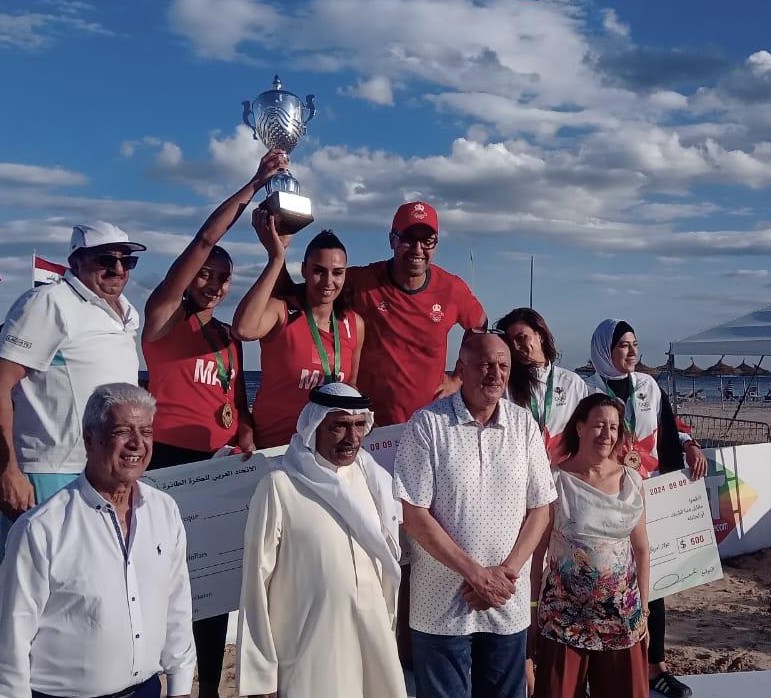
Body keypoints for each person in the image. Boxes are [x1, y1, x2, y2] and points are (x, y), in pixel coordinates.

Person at [141, 150, 284, 696]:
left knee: (213, 583)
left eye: (224, 277)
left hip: (218, 466)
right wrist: (253, 184)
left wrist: (245, 428)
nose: (216, 283)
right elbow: (203, 239)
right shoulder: (162, 319)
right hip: (169, 465)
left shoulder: (228, 336)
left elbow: (235, 404)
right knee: (169, 580)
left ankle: (206, 688)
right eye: (209, 273)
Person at [0, 383, 195, 698]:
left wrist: (179, 685)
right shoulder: (42, 528)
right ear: (89, 439)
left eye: (147, 432)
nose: (137, 443)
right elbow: (11, 642)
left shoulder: (164, 511)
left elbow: (176, 605)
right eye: (122, 431)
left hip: (145, 691)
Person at [393, 331, 555, 698]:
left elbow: (540, 509)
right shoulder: (427, 425)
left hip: (506, 601)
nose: (494, 374)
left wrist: (504, 576)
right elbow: (414, 515)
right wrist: (476, 575)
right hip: (440, 605)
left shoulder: (524, 425)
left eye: (502, 366)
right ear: (461, 369)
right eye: (484, 365)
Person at [0, 221, 146, 549]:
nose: (118, 269)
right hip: (49, 472)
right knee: (38, 586)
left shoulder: (127, 313)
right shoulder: (48, 302)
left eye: (126, 261)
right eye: (105, 260)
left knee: (93, 583)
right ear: (75, 262)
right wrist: (7, 472)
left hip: (104, 472)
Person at [236, 382, 405, 697]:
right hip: (308, 653)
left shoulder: (373, 483)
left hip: (373, 642)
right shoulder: (280, 486)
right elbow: (255, 586)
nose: (352, 438)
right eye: (338, 426)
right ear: (314, 427)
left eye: (358, 426)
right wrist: (261, 677)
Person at [586, 319, 707, 698]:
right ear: (606, 350)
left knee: (650, 583)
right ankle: (596, 673)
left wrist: (690, 447)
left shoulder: (648, 387)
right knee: (601, 582)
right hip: (606, 497)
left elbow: (668, 433)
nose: (632, 352)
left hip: (649, 495)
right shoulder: (589, 391)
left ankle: (656, 668)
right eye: (623, 346)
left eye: (635, 344)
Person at [532, 393, 650, 698]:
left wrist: (644, 610)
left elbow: (641, 549)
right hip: (564, 617)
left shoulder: (633, 481)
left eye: (613, 428)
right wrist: (532, 610)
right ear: (580, 427)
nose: (606, 434)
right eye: (599, 425)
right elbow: (538, 554)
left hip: (622, 617)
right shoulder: (555, 481)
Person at [346, 201, 487, 426]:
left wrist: (458, 378)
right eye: (409, 239)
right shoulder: (363, 281)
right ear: (393, 240)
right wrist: (278, 252)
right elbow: (311, 291)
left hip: (430, 422)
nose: (418, 249)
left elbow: (479, 324)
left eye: (427, 241)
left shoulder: (452, 288)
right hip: (371, 424)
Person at [233, 212, 364, 448]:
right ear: (303, 270)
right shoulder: (282, 312)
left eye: (337, 272)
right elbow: (243, 329)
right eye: (318, 270)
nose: (327, 281)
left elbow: (350, 388)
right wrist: (276, 258)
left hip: (324, 451)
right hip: (276, 449)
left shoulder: (353, 324)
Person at [495, 307, 589, 465]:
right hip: (519, 472)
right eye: (510, 342)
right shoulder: (505, 384)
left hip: (564, 475)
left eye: (521, 337)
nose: (516, 346)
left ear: (540, 335)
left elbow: (586, 431)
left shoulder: (572, 383)